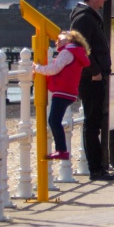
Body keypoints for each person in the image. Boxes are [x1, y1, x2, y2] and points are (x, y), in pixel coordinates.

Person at [68, 0, 114, 180]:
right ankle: (95, 169)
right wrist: (95, 71)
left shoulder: (88, 17)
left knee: (94, 122)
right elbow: (80, 47)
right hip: (91, 78)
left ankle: (98, 167)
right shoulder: (85, 18)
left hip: (95, 76)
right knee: (92, 123)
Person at [32, 28, 90, 165]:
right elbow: (57, 67)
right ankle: (61, 150)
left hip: (63, 91)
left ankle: (62, 150)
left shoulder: (67, 52)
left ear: (69, 39)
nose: (56, 41)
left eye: (59, 38)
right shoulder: (76, 52)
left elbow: (53, 69)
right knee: (54, 120)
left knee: (53, 120)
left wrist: (37, 68)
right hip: (69, 91)